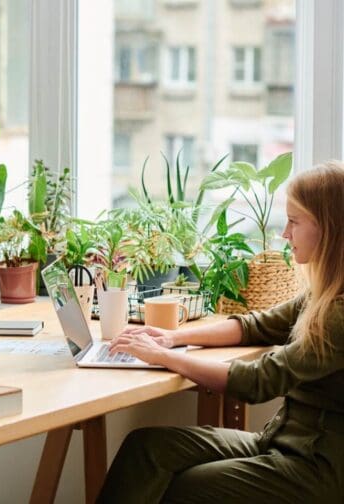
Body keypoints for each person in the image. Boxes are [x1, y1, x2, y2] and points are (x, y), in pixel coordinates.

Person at [97, 161, 344, 503]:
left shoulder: (339, 314)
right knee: (146, 450)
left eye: (294, 222)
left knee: (190, 486)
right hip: (277, 441)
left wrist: (166, 358)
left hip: (315, 468)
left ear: (329, 229)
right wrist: (172, 337)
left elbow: (259, 380)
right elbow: (255, 326)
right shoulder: (322, 294)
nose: (285, 234)